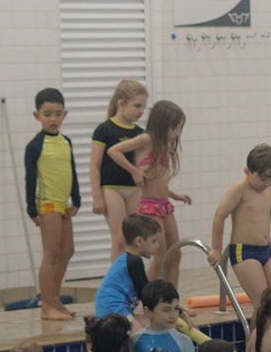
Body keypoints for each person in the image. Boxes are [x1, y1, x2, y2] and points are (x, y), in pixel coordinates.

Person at [106, 100, 190, 286]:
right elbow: (114, 151)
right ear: (162, 124)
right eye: (174, 129)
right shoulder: (146, 140)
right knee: (160, 255)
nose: (176, 134)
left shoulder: (163, 146)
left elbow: (158, 182)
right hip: (149, 206)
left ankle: (172, 297)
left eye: (178, 129)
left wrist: (175, 196)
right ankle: (145, 296)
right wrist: (134, 171)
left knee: (175, 254)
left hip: (165, 205)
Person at [22, 88, 80, 322]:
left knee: (67, 251)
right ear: (37, 115)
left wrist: (76, 199)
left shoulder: (66, 142)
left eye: (57, 114)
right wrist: (31, 209)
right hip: (47, 205)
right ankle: (46, 306)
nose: (53, 119)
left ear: (64, 114)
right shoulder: (35, 146)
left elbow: (71, 172)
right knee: (51, 254)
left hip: (63, 204)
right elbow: (30, 179)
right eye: (48, 114)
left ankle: (55, 300)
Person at [208, 144, 271, 307]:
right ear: (247, 171)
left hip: (265, 250)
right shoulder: (240, 189)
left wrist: (267, 236)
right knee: (262, 304)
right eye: (262, 179)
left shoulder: (269, 191)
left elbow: (265, 214)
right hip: (244, 251)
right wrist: (216, 249)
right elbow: (219, 216)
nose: (267, 183)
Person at [90, 80, 148, 260]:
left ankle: (131, 272)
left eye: (143, 107)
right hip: (112, 188)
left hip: (133, 189)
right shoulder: (104, 130)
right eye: (137, 106)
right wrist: (97, 197)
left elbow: (142, 165)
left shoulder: (140, 133)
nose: (141, 111)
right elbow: (95, 165)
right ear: (121, 103)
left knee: (135, 239)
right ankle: (117, 275)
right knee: (120, 238)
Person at [93, 214, 164, 320]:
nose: (157, 245)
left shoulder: (126, 259)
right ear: (139, 241)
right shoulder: (134, 262)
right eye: (154, 241)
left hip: (106, 311)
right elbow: (145, 293)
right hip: (114, 311)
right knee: (147, 327)